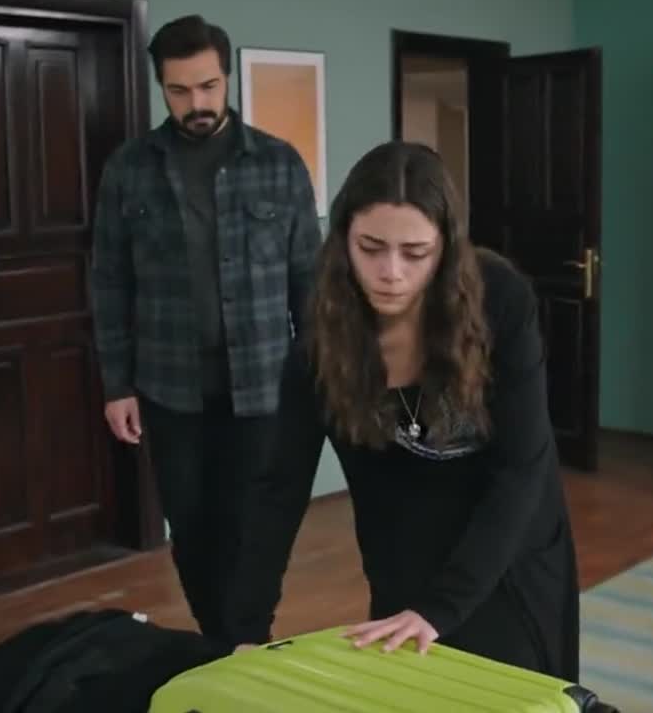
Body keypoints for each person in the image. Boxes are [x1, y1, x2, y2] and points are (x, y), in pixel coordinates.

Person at [222, 141, 581, 680]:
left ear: (446, 250)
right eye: (371, 248)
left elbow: (521, 470)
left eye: (416, 253)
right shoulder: (322, 342)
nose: (390, 272)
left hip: (508, 551)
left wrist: (442, 607)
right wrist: (245, 631)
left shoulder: (500, 300)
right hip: (403, 557)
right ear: (343, 240)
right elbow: (279, 490)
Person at [90, 14, 321, 640]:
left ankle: (244, 641)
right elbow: (109, 281)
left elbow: (310, 282)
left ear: (227, 79)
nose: (197, 103)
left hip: (264, 388)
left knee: (254, 529)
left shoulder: (279, 164)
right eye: (180, 90)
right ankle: (224, 642)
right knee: (192, 529)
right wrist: (117, 384)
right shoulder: (129, 169)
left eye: (209, 86)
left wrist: (317, 381)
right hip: (170, 390)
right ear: (161, 88)